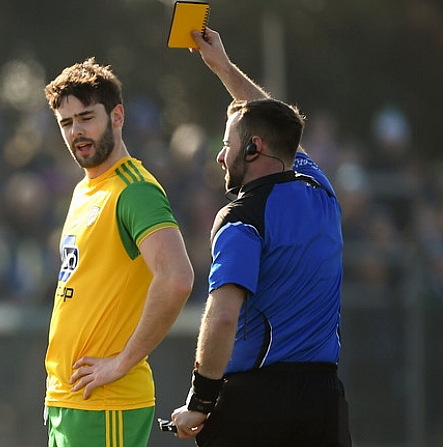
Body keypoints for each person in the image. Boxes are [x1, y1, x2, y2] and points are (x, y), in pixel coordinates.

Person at [169, 29, 352, 446]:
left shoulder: (242, 216)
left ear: (252, 149)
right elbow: (278, 126)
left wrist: (200, 401)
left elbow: (223, 316)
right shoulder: (321, 188)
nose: (219, 156)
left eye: (226, 144)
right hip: (325, 401)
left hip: (255, 403)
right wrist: (224, 69)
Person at [42, 58, 195, 447]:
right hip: (69, 402)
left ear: (118, 115)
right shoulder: (84, 189)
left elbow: (177, 278)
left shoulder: (135, 189)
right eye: (66, 123)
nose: (76, 131)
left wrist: (121, 363)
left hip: (105, 405)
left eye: (86, 117)